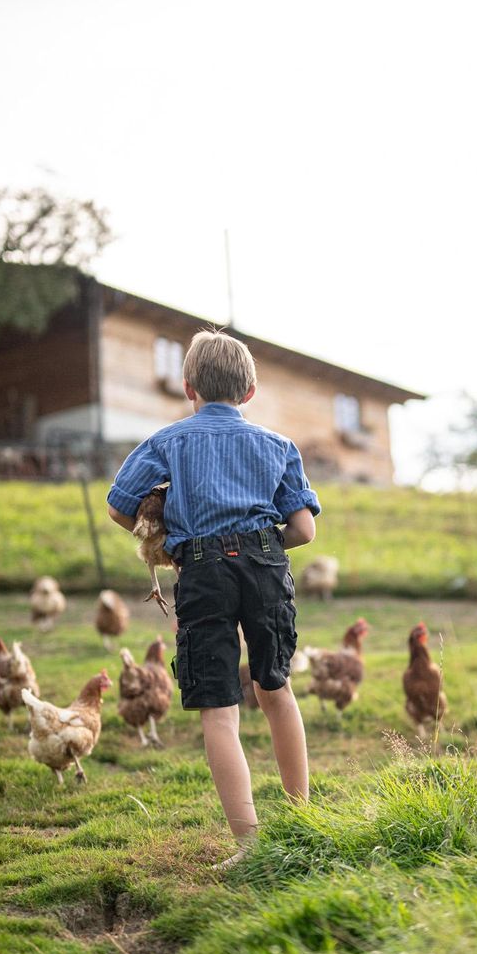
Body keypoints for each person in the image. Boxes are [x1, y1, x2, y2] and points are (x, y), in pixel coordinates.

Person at [105, 329, 320, 867]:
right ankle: (302, 821)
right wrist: (263, 547)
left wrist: (164, 542)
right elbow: (304, 530)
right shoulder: (278, 446)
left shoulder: (167, 442)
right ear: (250, 392)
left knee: (220, 712)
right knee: (276, 690)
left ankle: (248, 846)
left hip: (201, 569)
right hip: (265, 563)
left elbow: (118, 506)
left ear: (188, 387)